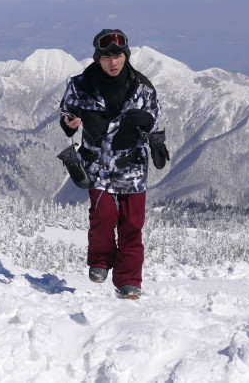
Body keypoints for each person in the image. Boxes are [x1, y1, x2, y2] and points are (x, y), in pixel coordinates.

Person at [59, 28, 169, 299]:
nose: (113, 61)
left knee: (132, 224)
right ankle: (100, 260)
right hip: (98, 164)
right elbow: (67, 112)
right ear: (97, 58)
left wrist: (150, 128)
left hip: (132, 165)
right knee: (104, 217)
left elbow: (156, 119)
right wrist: (69, 122)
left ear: (125, 56)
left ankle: (129, 280)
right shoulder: (80, 85)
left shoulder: (142, 87)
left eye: (118, 55)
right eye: (106, 56)